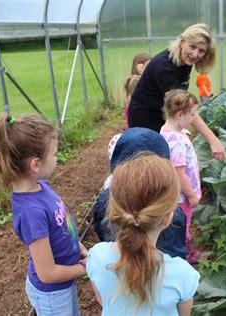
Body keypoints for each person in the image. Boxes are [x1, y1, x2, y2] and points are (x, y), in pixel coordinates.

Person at [0, 114, 88, 315]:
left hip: (65, 280)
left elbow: (61, 226)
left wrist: (78, 249)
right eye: (54, 154)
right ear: (36, 164)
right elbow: (47, 273)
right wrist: (86, 269)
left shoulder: (42, 186)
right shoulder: (31, 213)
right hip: (53, 294)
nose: (57, 158)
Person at [87, 154, 200, 315]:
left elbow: (103, 301)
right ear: (167, 217)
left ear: (114, 209)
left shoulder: (97, 257)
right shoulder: (183, 275)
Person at [127, 23, 226, 164]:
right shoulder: (164, 67)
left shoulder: (184, 61)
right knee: (152, 163)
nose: (195, 54)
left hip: (160, 113)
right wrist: (213, 140)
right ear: (182, 42)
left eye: (201, 51)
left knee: (166, 160)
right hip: (145, 118)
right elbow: (184, 106)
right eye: (192, 46)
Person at [95, 127, 187, 259]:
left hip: (116, 264)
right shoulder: (171, 212)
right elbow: (174, 253)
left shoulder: (106, 200)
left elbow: (102, 233)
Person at [160, 90, 202, 263]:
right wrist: (191, 194)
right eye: (191, 114)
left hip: (174, 194)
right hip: (182, 196)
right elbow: (179, 173)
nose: (194, 118)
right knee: (182, 224)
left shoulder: (166, 130)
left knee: (177, 223)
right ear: (179, 114)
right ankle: (185, 254)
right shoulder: (176, 141)